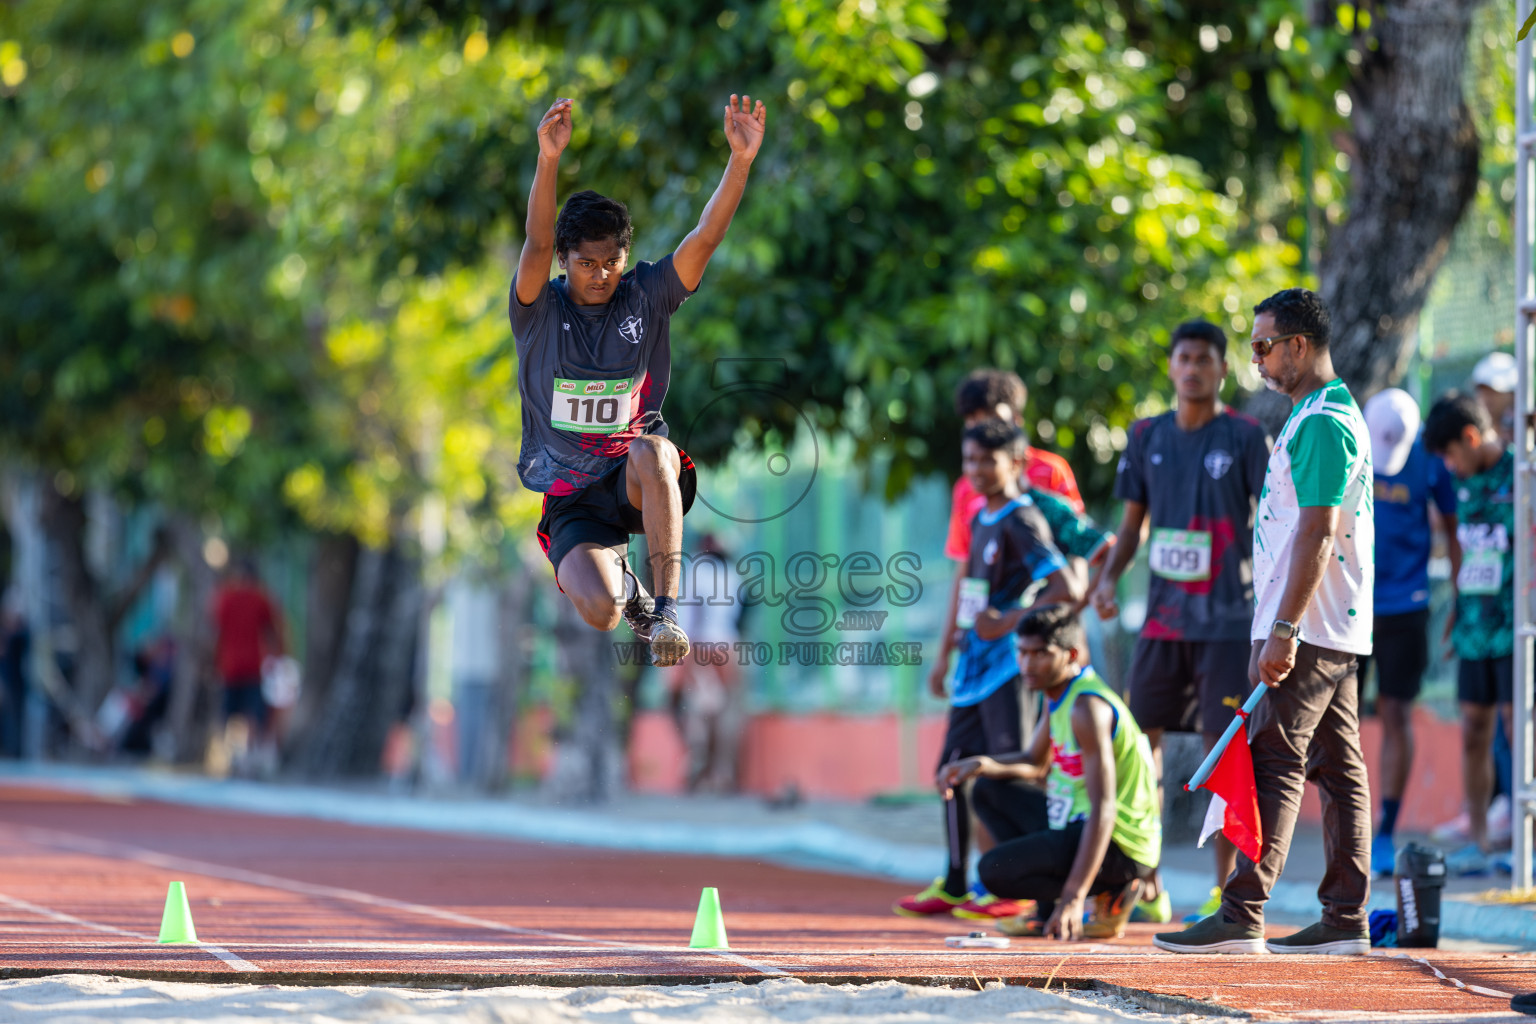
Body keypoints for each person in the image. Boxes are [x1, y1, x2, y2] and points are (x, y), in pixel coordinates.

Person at [510, 94, 766, 668]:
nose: (600, 275)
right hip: (570, 492)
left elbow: (703, 237)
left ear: (625, 257)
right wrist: (548, 159)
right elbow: (536, 242)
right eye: (586, 263)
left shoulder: (646, 295)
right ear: (565, 262)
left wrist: (741, 162)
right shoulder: (537, 311)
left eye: (611, 262)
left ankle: (666, 612)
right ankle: (630, 594)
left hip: (632, 476)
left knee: (654, 448)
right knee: (598, 611)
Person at [1155, 287, 1374, 956]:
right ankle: (1344, 919)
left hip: (1306, 626)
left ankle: (1243, 910)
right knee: (1338, 769)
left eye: (1262, 346)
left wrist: (1282, 629)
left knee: (1276, 757)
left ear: (1299, 346)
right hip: (1328, 624)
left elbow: (1315, 531)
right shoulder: (1319, 414)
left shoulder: (1321, 423)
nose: (1255, 359)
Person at [1087, 319, 1270, 924]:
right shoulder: (1144, 436)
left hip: (1225, 622)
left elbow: (1272, 527)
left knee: (1225, 751)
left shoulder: (1245, 436)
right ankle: (1148, 881)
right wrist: (1110, 578)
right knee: (1141, 744)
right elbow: (1132, 523)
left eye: (1204, 359)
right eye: (1183, 358)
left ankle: (1224, 889)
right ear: (1170, 367)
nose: (1192, 368)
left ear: (1223, 369)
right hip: (1162, 624)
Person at [895, 420, 1081, 920]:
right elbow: (973, 593)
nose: (976, 470)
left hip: (1006, 670)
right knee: (950, 773)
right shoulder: (980, 517)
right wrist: (955, 640)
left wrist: (1009, 622)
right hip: (971, 669)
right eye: (969, 460)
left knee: (1009, 776)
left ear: (1016, 463)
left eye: (987, 460)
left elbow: (1066, 587)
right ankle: (955, 881)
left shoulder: (1024, 521)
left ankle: (1027, 883)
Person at [937, 604, 1160, 940]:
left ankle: (1113, 888)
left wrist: (1073, 897)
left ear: (1070, 654)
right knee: (988, 789)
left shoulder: (1087, 708)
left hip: (1120, 845)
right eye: (1022, 653)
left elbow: (1105, 807)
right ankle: (1044, 913)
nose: (1027, 664)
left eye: (1040, 654)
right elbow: (1033, 761)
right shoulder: (1057, 693)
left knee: (993, 871)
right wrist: (980, 764)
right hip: (1076, 820)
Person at [1357, 388, 1460, 877]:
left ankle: (1385, 830)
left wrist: (1459, 601)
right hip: (1351, 605)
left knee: (1397, 713)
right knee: (1338, 716)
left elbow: (1454, 532)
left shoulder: (1431, 464)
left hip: (1407, 606)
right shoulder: (1351, 444)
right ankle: (1349, 828)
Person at [1424, 391, 1517, 877]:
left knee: (1517, 731)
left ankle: (1526, 844)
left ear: (1472, 436)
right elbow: (1460, 549)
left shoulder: (1521, 474)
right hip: (1474, 629)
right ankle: (1480, 843)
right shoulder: (1458, 485)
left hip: (1516, 629)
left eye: (1450, 454)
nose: (1447, 465)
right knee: (1474, 733)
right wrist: (1457, 608)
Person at [669, 533, 743, 793]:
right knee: (726, 712)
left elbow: (694, 611)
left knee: (700, 710)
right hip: (728, 644)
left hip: (701, 645)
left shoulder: (696, 570)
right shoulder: (732, 572)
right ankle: (723, 774)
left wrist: (686, 656)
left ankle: (699, 767)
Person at [211, 557, 285, 774]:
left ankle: (228, 755)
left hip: (230, 664)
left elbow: (216, 630)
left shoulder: (225, 597)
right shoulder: (261, 598)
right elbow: (274, 629)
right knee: (252, 712)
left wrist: (214, 660)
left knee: (227, 711)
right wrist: (277, 655)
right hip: (253, 664)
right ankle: (248, 757)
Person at [1471, 351, 1518, 446]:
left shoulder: (1527, 435)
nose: (1486, 398)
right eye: (1482, 391)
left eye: (1493, 392)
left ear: (1513, 395)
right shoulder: (1475, 440)